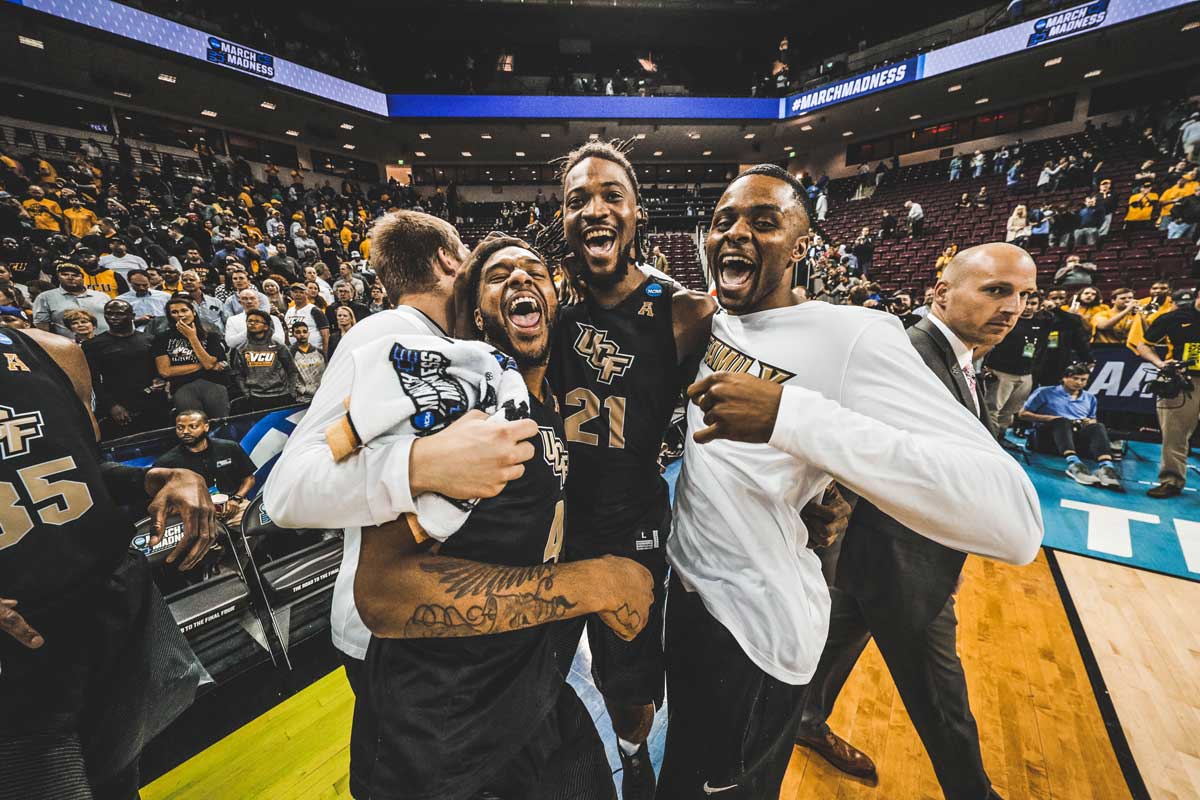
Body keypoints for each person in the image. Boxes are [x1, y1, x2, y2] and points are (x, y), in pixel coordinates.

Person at [660, 167, 1042, 798]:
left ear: (802, 246)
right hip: (694, 603)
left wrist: (791, 416)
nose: (736, 232)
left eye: (763, 221)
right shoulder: (718, 321)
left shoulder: (854, 335)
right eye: (723, 219)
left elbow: (1015, 520)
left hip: (759, 633)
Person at [352, 235, 648, 800]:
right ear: (477, 312)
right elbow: (383, 591)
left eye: (535, 270)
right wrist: (594, 583)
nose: (520, 278)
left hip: (531, 697)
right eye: (497, 275)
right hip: (441, 737)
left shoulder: (552, 405)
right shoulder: (458, 401)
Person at [264, 210, 550, 795]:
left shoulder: (462, 348)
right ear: (452, 261)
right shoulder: (387, 333)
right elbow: (287, 491)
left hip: (453, 630)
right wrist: (422, 464)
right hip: (390, 640)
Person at [548, 141, 717, 799]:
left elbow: (750, 398)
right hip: (550, 528)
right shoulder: (538, 302)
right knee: (533, 665)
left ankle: (632, 752)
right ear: (561, 219)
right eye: (578, 199)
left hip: (630, 528)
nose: (595, 208)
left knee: (631, 686)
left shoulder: (683, 312)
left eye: (610, 195)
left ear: (636, 212)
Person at [0, 326, 215, 800]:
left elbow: (79, 466)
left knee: (118, 786)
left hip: (107, 619)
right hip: (19, 657)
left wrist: (154, 479)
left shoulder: (50, 350)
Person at [1134, 290, 1200, 498]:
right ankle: (1171, 480)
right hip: (1183, 381)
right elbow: (1143, 345)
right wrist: (1161, 364)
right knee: (1174, 433)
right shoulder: (1174, 318)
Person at [1019, 363, 1120, 488]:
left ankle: (1107, 468)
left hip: (1074, 438)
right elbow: (1022, 414)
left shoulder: (1090, 398)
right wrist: (1052, 419)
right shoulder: (1044, 392)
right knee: (1062, 421)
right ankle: (1074, 465)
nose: (1079, 382)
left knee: (1098, 426)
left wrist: (1088, 422)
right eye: (1075, 378)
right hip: (1047, 438)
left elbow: (1093, 420)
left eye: (1083, 380)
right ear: (1064, 378)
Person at [83, 299, 169, 437]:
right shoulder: (93, 345)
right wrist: (111, 405)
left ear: (132, 316)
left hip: (151, 400)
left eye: (119, 314)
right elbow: (93, 380)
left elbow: (161, 369)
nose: (113, 317)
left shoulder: (150, 340)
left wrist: (160, 380)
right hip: (118, 402)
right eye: (109, 313)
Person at [154, 409, 255, 523]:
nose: (186, 431)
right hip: (196, 515)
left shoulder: (229, 447)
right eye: (180, 428)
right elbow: (161, 500)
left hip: (234, 505)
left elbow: (249, 478)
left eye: (193, 426)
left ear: (206, 427)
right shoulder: (166, 463)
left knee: (257, 522)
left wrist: (236, 499)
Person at [153, 296, 230, 418]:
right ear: (169, 316)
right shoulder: (162, 338)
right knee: (193, 423)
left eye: (184, 310)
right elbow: (165, 371)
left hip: (213, 383)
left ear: (193, 312)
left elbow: (210, 363)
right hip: (182, 386)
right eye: (174, 312)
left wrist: (192, 337)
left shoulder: (211, 336)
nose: (180, 315)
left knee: (220, 423)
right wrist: (202, 365)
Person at [985, 292, 1045, 435]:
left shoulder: (1042, 323)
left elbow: (1072, 322)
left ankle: (1001, 437)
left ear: (1039, 306)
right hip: (1001, 372)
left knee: (1010, 411)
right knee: (992, 409)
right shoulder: (1006, 320)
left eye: (1033, 303)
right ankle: (988, 439)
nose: (1029, 307)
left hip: (1025, 375)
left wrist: (1052, 309)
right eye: (1026, 303)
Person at [229, 309, 297, 413]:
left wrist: (291, 392)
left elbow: (292, 370)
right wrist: (247, 393)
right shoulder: (242, 349)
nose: (252, 323)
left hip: (281, 395)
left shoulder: (278, 346)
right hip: (256, 397)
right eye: (249, 321)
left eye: (257, 321)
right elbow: (238, 374)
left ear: (266, 326)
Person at [32, 263, 110, 338]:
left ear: (83, 277)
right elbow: (41, 325)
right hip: (68, 346)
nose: (70, 277)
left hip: (106, 344)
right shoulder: (45, 297)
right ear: (58, 277)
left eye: (75, 275)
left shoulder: (102, 296)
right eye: (65, 274)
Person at [285, 282, 330, 353]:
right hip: (295, 352)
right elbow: (287, 331)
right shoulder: (289, 311)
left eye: (301, 292)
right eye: (295, 292)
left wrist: (324, 353)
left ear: (306, 294)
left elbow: (325, 334)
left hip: (314, 351)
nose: (298, 295)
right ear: (291, 294)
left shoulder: (314, 310)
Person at [288, 320, 325, 403]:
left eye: (305, 331)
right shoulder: (290, 353)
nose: (302, 334)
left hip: (321, 396)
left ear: (308, 333)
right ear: (293, 334)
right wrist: (303, 390)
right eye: (298, 332)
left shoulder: (319, 352)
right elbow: (289, 375)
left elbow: (326, 372)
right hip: (302, 399)